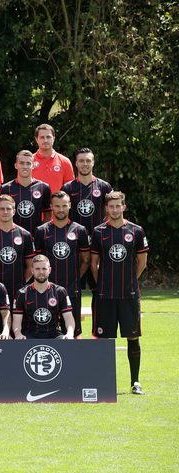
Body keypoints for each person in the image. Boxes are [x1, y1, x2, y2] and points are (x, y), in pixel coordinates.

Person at [90, 191, 148, 395]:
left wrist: (130, 280)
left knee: (133, 337)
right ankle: (104, 383)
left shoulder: (136, 231)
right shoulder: (98, 232)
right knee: (103, 340)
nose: (115, 209)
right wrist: (103, 283)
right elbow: (94, 264)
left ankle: (135, 382)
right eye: (111, 206)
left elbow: (142, 262)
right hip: (105, 295)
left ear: (124, 206)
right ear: (106, 208)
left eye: (118, 206)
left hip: (128, 294)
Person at [33, 191, 90, 337]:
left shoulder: (80, 230)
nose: (61, 209)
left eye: (64, 206)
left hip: (72, 288)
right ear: (51, 206)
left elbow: (86, 260)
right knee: (46, 330)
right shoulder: (41, 231)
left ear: (70, 205)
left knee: (74, 331)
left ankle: (75, 353)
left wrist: (75, 277)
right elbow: (36, 261)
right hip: (46, 288)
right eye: (57, 206)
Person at [62, 147, 113, 292]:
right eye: (81, 161)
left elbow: (112, 213)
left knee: (100, 288)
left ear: (93, 162)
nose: (85, 164)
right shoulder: (67, 188)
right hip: (75, 244)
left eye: (88, 161)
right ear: (76, 163)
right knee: (73, 288)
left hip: (98, 243)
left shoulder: (104, 187)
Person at [0, 195, 35, 300]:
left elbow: (31, 266)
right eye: (2, 209)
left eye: (8, 209)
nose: (5, 212)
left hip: (18, 291)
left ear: (14, 211)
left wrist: (21, 283)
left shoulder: (25, 235)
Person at [12, 254, 75, 339]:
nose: (41, 272)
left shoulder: (60, 291)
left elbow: (68, 317)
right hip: (30, 336)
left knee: (65, 342)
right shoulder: (22, 293)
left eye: (44, 268)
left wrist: (70, 334)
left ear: (49, 270)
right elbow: (17, 320)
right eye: (37, 269)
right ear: (32, 270)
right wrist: (18, 334)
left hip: (54, 335)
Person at [0, 150, 52, 236]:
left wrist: (39, 234)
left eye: (28, 163)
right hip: (11, 237)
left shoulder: (44, 188)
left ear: (33, 166)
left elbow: (48, 215)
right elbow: (1, 215)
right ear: (16, 165)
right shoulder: (6, 188)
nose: (25, 166)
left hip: (35, 238)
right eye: (21, 163)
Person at [32, 123, 74, 192]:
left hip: (57, 199)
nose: (45, 140)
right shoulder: (28, 161)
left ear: (53, 138)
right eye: (42, 137)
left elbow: (70, 189)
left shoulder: (65, 161)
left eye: (48, 137)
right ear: (36, 139)